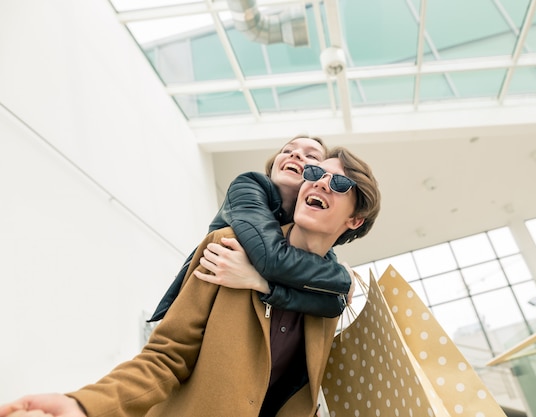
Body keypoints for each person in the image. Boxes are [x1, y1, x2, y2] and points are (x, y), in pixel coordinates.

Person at [0, 146, 381, 417]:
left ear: (355, 221)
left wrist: (264, 286)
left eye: (340, 184)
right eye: (315, 174)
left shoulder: (332, 293)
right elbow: (165, 357)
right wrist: (85, 406)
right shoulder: (224, 250)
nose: (319, 184)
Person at [149, 134, 353, 320]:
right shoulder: (249, 186)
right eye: (287, 151)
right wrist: (344, 278)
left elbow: (335, 303)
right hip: (194, 311)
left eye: (311, 156)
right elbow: (272, 258)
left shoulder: (309, 233)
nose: (296, 154)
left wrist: (262, 284)